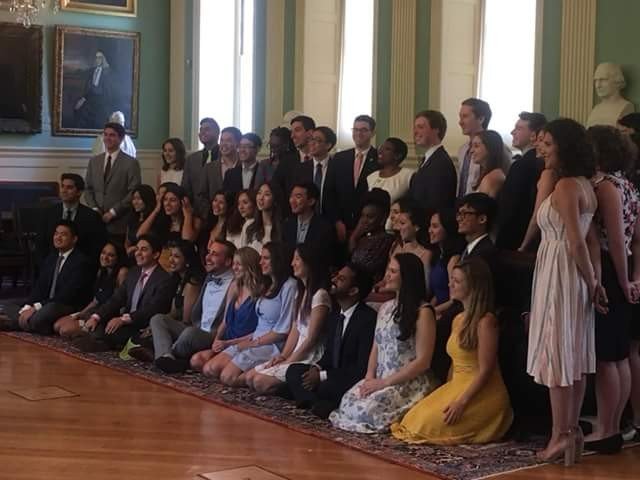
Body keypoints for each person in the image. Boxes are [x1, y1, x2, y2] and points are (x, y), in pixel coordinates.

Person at [527, 118, 604, 464]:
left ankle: (560, 435)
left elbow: (576, 242)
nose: (542, 149)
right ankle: (571, 433)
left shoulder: (565, 187)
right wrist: (595, 281)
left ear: (565, 146)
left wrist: (592, 282)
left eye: (548, 143)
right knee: (574, 354)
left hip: (560, 272)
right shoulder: (585, 184)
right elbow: (590, 242)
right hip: (570, 274)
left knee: (558, 353)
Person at [392, 258, 513, 444]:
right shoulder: (458, 319)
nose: (450, 284)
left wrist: (461, 402)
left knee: (424, 427)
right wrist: (445, 393)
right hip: (458, 384)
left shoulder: (486, 322)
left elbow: (486, 370)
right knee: (412, 420)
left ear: (473, 286)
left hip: (483, 392)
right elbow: (455, 364)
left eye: (456, 281)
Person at [329, 253, 438, 433]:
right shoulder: (385, 307)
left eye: (393, 271)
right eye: (388, 270)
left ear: (407, 277)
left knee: (367, 411)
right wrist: (370, 377)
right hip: (380, 378)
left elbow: (423, 361)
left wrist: (384, 383)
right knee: (348, 401)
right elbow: (376, 346)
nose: (387, 275)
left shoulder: (423, 312)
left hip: (406, 381)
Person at [585, 126, 640, 453]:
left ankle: (607, 428)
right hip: (625, 271)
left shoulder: (605, 186)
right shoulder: (629, 185)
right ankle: (614, 424)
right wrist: (636, 277)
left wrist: (621, 280)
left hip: (608, 269)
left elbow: (618, 240)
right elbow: (637, 240)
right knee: (619, 355)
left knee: (609, 356)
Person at [201, 242, 298, 387]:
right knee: (209, 369)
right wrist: (238, 343)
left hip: (271, 345)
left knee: (227, 377)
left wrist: (252, 343)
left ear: (277, 260)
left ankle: (260, 377)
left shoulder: (290, 286)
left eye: (265, 258)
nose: (261, 262)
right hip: (253, 340)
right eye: (260, 258)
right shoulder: (268, 285)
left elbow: (282, 331)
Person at [285, 263, 376, 418]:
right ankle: (317, 404)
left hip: (349, 378)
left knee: (327, 386)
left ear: (353, 290)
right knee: (293, 371)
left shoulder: (367, 319)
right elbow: (328, 355)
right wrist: (316, 368)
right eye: (336, 275)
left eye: (341, 279)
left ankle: (316, 402)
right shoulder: (334, 316)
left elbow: (360, 368)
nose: (334, 280)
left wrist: (321, 376)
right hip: (330, 374)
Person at [246, 243, 331, 393]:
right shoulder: (301, 292)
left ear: (309, 262)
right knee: (250, 377)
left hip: (309, 354)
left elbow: (311, 339)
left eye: (297, 259)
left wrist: (289, 361)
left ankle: (292, 387)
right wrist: (284, 356)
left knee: (259, 382)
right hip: (295, 351)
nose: (292, 264)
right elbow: (295, 328)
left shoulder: (320, 295)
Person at [149, 240, 235, 373]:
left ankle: (164, 354)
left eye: (215, 254)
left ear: (228, 261)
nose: (208, 257)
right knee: (158, 319)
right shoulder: (209, 277)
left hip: (214, 334)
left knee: (190, 333)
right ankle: (166, 357)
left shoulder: (235, 284)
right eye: (209, 252)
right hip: (197, 328)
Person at [0, 220, 95, 334]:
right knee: (7, 305)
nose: (58, 237)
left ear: (74, 239)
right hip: (45, 304)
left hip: (65, 305)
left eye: (63, 235)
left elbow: (66, 295)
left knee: (44, 313)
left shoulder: (81, 262)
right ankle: (30, 323)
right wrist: (29, 306)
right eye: (56, 234)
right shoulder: (51, 258)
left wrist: (36, 308)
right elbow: (40, 287)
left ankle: (13, 323)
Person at [127, 240, 205, 364]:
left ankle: (164, 357)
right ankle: (161, 354)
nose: (171, 260)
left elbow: (187, 319)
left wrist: (161, 326)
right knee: (148, 328)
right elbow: (173, 312)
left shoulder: (192, 283)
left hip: (191, 330)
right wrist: (152, 327)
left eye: (177, 257)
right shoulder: (177, 279)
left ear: (188, 261)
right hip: (179, 327)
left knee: (157, 321)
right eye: (171, 256)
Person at [190, 246, 262, 372]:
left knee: (209, 369)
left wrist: (229, 344)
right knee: (196, 361)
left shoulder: (260, 291)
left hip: (243, 343)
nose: (234, 268)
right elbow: (225, 321)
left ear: (249, 266)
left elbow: (258, 332)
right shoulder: (234, 285)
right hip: (227, 340)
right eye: (234, 264)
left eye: (239, 264)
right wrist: (217, 340)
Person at [53, 241, 128, 338]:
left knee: (65, 330)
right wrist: (80, 314)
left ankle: (93, 335)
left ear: (118, 258)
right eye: (103, 253)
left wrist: (96, 317)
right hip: (95, 311)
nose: (105, 257)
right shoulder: (102, 271)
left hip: (107, 315)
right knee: (57, 326)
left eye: (111, 255)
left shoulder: (122, 272)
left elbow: (119, 303)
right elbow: (95, 301)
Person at [496, 112, 547, 251]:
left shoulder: (522, 165)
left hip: (516, 236)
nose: (512, 132)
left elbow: (510, 206)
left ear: (533, 136)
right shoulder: (538, 162)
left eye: (519, 128)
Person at [84, 122, 141, 241]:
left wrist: (113, 212)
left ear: (121, 138)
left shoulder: (131, 163)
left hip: (119, 223)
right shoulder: (94, 161)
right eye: (105, 135)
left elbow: (133, 191)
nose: (107, 138)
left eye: (112, 135)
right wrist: (94, 209)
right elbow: (88, 188)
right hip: (96, 222)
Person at [38, 173, 107, 265]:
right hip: (52, 265)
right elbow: (41, 243)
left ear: (79, 192)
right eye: (62, 186)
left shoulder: (92, 217)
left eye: (69, 187)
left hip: (80, 266)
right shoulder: (48, 213)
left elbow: (95, 248)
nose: (64, 190)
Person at [331, 115, 381, 235]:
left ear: (372, 133)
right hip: (341, 224)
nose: (359, 133)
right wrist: (337, 220)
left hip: (367, 224)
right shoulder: (339, 158)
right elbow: (331, 191)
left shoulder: (379, 159)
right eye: (355, 129)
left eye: (363, 130)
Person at [456, 98, 511, 199]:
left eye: (465, 117)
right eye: (460, 117)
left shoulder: (500, 148)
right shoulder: (462, 150)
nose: (460, 122)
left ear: (481, 119)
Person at [137, 183, 202, 265]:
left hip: (186, 264)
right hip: (165, 264)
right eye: (165, 199)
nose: (167, 203)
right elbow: (140, 235)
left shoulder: (195, 220)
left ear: (182, 202)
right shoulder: (163, 221)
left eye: (172, 200)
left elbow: (187, 241)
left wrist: (188, 215)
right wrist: (157, 209)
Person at [518, 130, 560, 252]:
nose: (538, 144)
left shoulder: (549, 174)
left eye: (545, 142)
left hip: (545, 241)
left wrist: (523, 245)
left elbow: (537, 215)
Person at [409, 110, 457, 213]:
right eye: (415, 128)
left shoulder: (441, 163)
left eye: (421, 127)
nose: (415, 132)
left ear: (436, 130)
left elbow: (436, 204)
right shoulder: (429, 159)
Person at [283, 183, 336, 267]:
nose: (292, 201)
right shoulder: (287, 225)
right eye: (291, 196)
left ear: (311, 201)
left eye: (298, 197)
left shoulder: (324, 227)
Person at [349, 188, 395, 282]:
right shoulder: (364, 238)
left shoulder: (386, 240)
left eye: (370, 217)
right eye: (363, 216)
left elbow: (361, 264)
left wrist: (354, 237)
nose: (364, 221)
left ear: (383, 218)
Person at [388, 199, 433, 294]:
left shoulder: (425, 254)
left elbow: (425, 288)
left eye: (403, 223)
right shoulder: (396, 246)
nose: (399, 228)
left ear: (416, 227)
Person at [293, 126, 338, 218]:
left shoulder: (337, 168)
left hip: (330, 219)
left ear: (328, 145)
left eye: (317, 140)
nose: (312, 143)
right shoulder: (301, 169)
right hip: (306, 218)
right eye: (311, 139)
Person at [182, 117, 220, 218]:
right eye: (201, 130)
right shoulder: (191, 159)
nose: (202, 132)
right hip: (196, 212)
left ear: (217, 133)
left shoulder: (225, 155)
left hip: (220, 210)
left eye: (207, 129)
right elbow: (186, 187)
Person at [366, 137, 414, 209]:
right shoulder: (371, 177)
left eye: (387, 149)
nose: (380, 151)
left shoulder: (408, 175)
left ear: (397, 156)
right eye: (381, 147)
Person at [587, 63, 635, 128]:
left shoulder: (626, 106)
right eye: (596, 80)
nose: (598, 85)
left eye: (603, 80)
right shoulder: (596, 108)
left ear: (617, 81)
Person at [74, 50, 112, 129]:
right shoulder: (92, 70)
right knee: (79, 111)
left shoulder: (107, 72)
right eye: (96, 57)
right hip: (90, 96)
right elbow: (84, 74)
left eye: (100, 57)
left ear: (103, 59)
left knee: (101, 120)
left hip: (101, 99)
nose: (97, 59)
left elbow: (107, 89)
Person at [245, 182, 283, 253]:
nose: (261, 198)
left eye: (267, 194)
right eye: (259, 193)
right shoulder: (249, 225)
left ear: (275, 199)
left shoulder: (281, 228)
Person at [470, 130, 506, 199]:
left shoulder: (491, 178)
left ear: (490, 147)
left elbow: (481, 207)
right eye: (472, 146)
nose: (471, 150)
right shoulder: (491, 174)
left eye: (476, 146)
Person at [124, 184, 156, 258]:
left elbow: (139, 235)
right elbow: (127, 241)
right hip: (132, 255)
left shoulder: (153, 219)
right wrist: (128, 249)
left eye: (139, 199)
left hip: (147, 257)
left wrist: (136, 249)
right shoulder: (132, 217)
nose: (135, 202)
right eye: (134, 199)